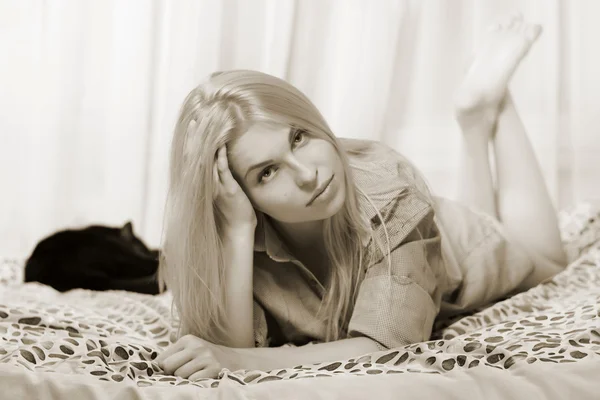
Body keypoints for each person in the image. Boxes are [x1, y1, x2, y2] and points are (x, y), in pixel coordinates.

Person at [155, 13, 568, 381]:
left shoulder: (392, 195)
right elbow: (227, 349)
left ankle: (488, 110)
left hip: (463, 244)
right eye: (267, 172)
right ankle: (476, 125)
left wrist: (238, 362)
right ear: (236, 193)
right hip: (428, 229)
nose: (307, 174)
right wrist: (238, 230)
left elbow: (389, 348)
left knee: (552, 264)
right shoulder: (235, 227)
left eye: (299, 138)